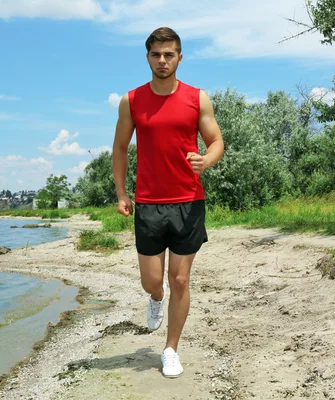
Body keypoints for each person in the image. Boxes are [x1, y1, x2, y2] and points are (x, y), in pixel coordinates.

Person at [112, 27, 224, 378]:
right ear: (148, 57)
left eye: (169, 54)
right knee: (153, 281)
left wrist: (206, 160)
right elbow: (119, 149)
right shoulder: (131, 100)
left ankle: (171, 349)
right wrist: (121, 193)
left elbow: (217, 140)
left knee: (180, 280)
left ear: (179, 57)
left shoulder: (197, 98)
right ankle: (155, 299)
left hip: (188, 202)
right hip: (147, 203)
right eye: (157, 55)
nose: (163, 60)